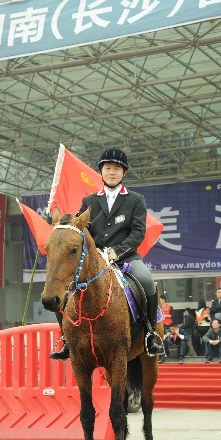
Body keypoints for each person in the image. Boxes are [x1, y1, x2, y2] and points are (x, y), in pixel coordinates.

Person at [50, 147, 164, 360]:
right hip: (95, 260)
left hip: (126, 258)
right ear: (101, 171)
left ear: (124, 173)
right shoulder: (89, 201)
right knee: (63, 286)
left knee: (147, 281)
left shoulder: (135, 200)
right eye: (108, 168)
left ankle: (149, 333)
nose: (112, 172)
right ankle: (66, 337)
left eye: (117, 169)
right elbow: (81, 230)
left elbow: (138, 232)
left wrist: (116, 252)